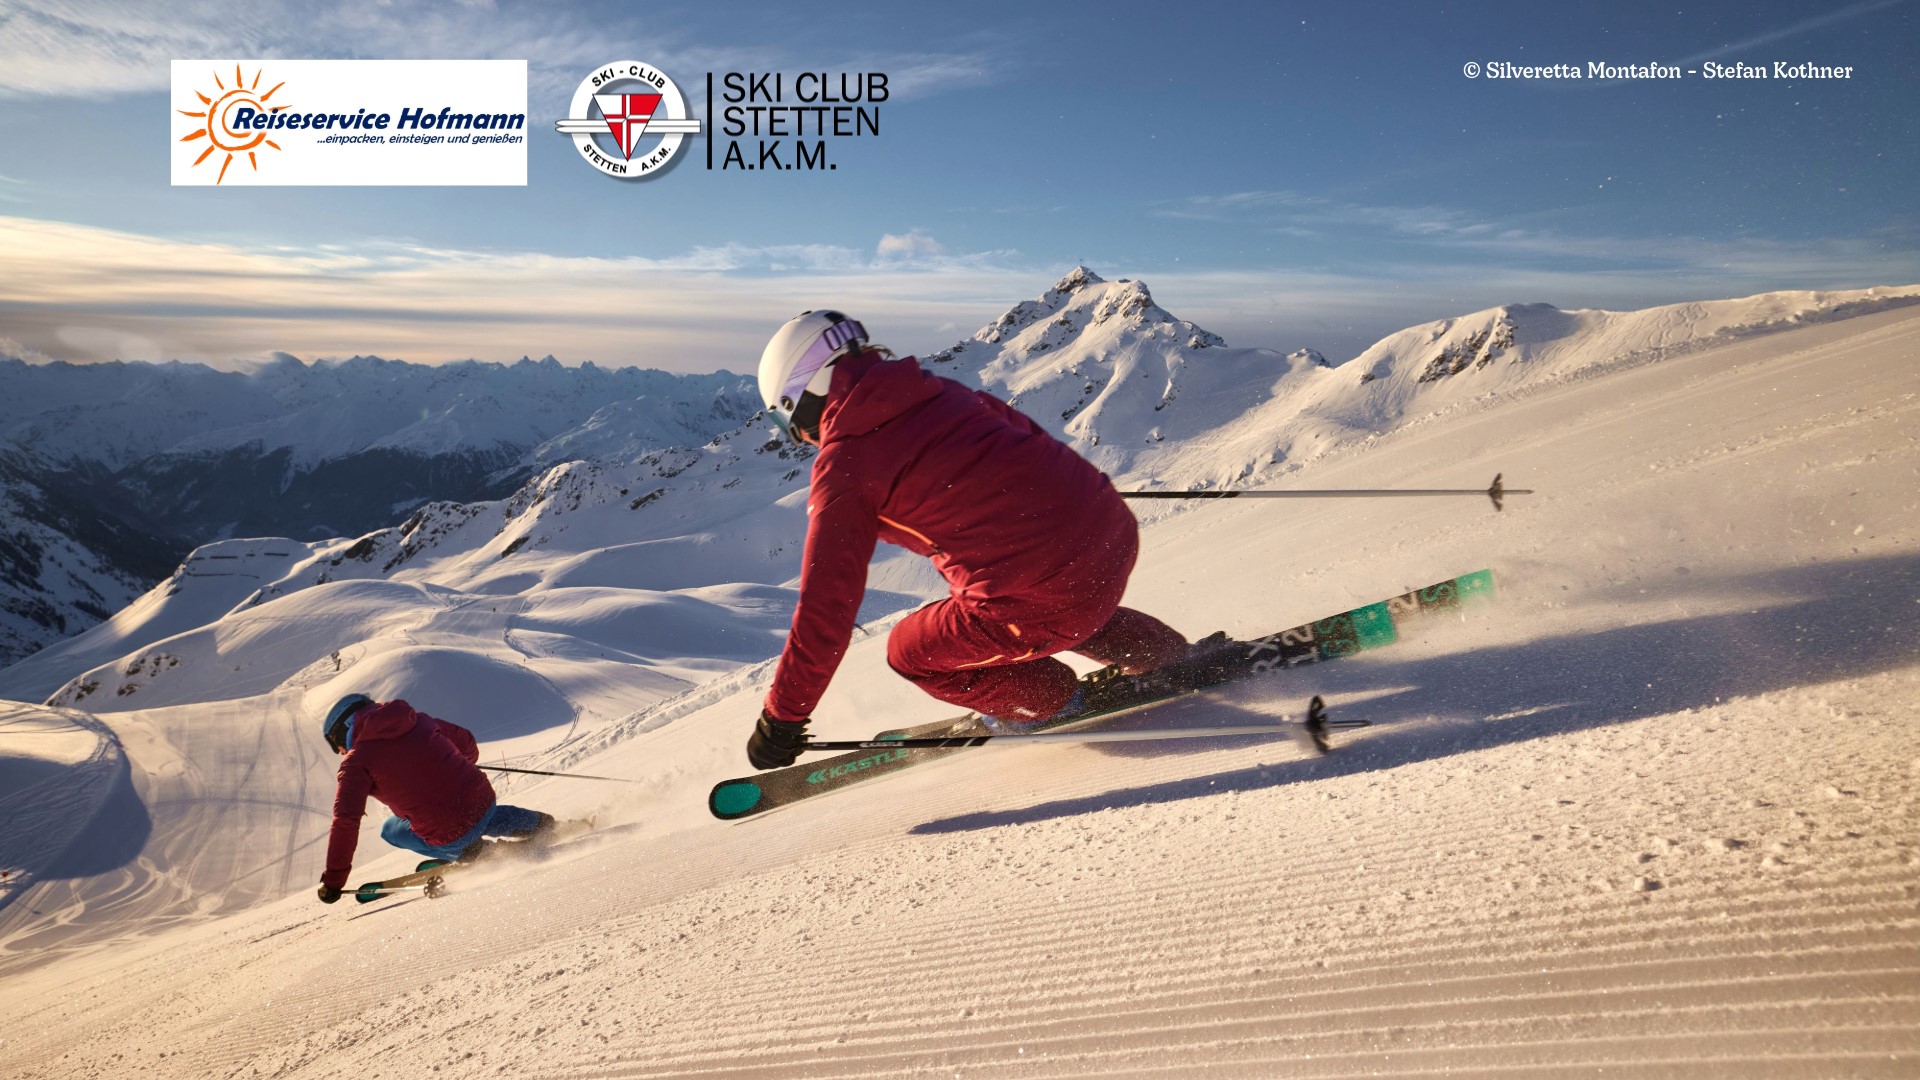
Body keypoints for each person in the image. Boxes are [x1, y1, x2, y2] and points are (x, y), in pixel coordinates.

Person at [745, 311, 1193, 770]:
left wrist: (782, 718)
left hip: (1052, 594)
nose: (804, 440)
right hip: (1112, 537)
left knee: (909, 650)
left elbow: (827, 608)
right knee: (1052, 587)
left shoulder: (846, 464)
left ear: (802, 397)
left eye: (791, 425)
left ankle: (1057, 702)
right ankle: (1166, 655)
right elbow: (1030, 445)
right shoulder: (941, 392)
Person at [315, 694, 554, 903]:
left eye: (338, 747)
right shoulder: (417, 719)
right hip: (482, 799)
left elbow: (346, 821)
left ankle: (476, 852)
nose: (341, 752)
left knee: (390, 829)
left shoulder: (356, 762)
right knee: (478, 812)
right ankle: (536, 822)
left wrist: (334, 880)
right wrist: (452, 768)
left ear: (343, 729)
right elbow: (467, 743)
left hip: (448, 831)